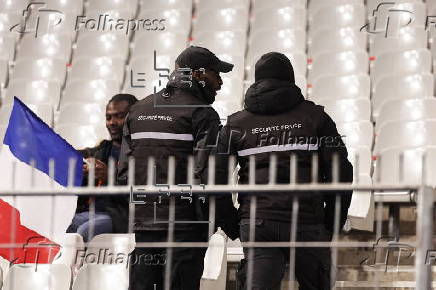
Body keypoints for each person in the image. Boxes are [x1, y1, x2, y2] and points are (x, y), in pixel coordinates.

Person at [215, 52, 353, 290]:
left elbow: (214, 176)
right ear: (290, 79)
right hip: (307, 221)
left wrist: (232, 223)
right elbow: (341, 171)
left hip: (258, 221)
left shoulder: (236, 124)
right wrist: (332, 221)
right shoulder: (315, 117)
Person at [117, 46, 239, 290]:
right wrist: (232, 223)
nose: (220, 83)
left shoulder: (138, 110)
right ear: (198, 74)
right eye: (216, 74)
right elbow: (210, 177)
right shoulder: (203, 114)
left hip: (145, 227)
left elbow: (123, 175)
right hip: (186, 229)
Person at [67, 93, 138, 241]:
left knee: (85, 230)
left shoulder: (142, 152)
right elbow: (76, 155)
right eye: (108, 117)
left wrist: (108, 176)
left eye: (119, 116)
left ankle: (79, 264)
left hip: (123, 216)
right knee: (67, 223)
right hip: (94, 212)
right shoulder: (101, 150)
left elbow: (141, 196)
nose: (112, 122)